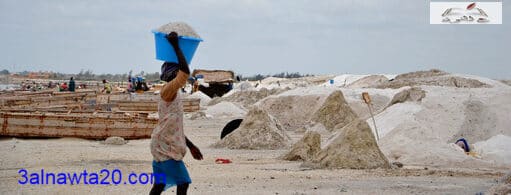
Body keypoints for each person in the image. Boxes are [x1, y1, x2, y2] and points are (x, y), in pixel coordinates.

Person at [149, 31, 203, 195]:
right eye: (176, 73)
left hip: (162, 142)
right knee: (183, 182)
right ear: (172, 75)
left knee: (159, 185)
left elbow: (174, 126)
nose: (179, 76)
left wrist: (191, 146)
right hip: (165, 147)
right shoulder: (168, 89)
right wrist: (175, 45)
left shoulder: (174, 92)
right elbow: (185, 72)